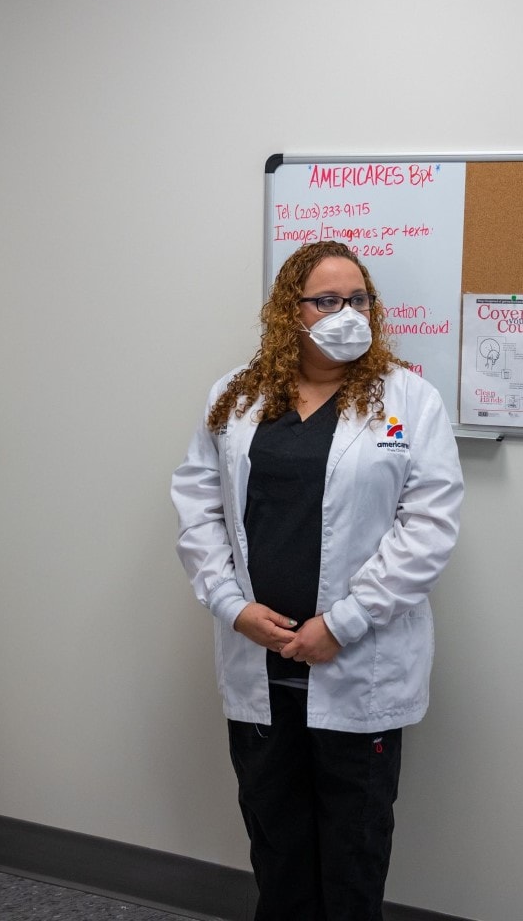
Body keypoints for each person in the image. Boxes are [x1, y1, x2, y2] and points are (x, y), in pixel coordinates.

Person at [171, 240, 463, 920]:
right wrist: (229, 603)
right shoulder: (236, 397)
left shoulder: (409, 400)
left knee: (353, 850)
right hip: (261, 659)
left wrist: (343, 623)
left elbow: (428, 528)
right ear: (289, 313)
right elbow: (197, 506)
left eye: (358, 298)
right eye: (327, 300)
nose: (347, 313)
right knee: (277, 847)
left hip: (357, 660)